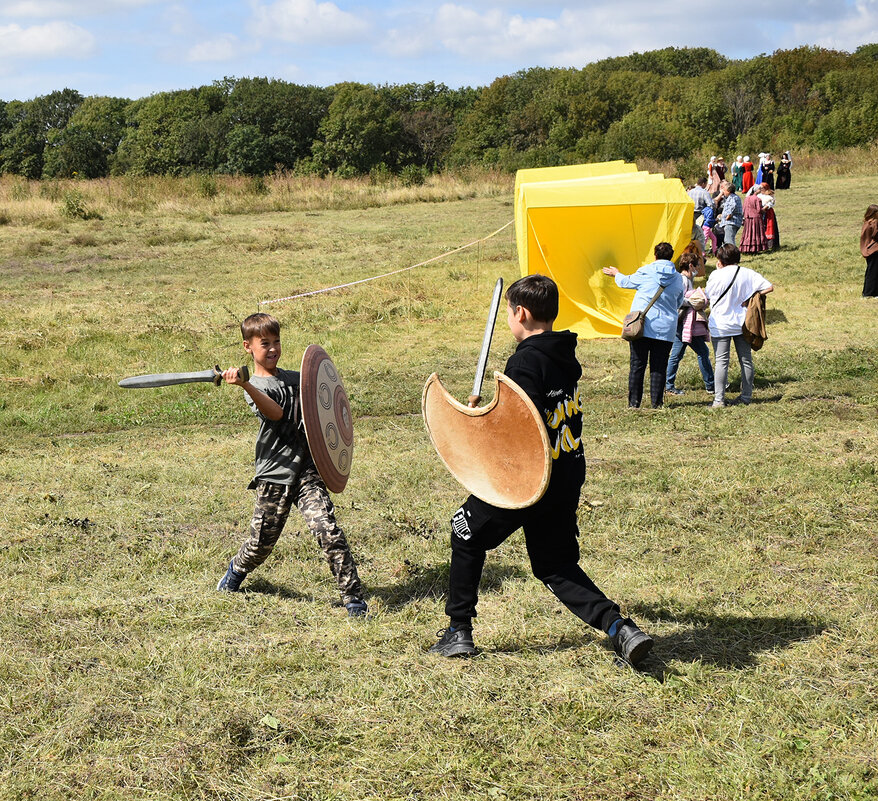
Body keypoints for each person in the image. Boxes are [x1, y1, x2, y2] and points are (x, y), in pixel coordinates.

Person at [429, 275, 654, 667]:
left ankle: (458, 631)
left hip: (528, 478)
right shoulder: (564, 355)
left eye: (510, 315)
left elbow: (518, 432)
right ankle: (621, 628)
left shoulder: (525, 361)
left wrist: (478, 420)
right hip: (566, 474)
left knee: (464, 529)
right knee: (554, 563)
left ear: (520, 313)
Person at [216, 313, 368, 617]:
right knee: (261, 544)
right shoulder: (257, 385)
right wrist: (245, 386)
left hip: (307, 471)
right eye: (265, 344)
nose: (272, 349)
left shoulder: (296, 378)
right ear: (248, 346)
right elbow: (274, 413)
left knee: (328, 530)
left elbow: (326, 404)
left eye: (276, 342)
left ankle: (353, 598)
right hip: (275, 473)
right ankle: (236, 569)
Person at [603, 242, 686, 409]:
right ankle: (656, 403)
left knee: (637, 365)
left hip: (643, 326)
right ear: (671, 257)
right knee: (659, 366)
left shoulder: (646, 271)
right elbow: (679, 301)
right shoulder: (678, 278)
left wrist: (617, 274)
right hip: (666, 329)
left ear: (655, 255)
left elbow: (626, 282)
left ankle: (634, 403)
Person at [704, 244, 774, 408]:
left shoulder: (716, 275)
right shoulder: (748, 273)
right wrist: (751, 297)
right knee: (746, 361)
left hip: (720, 325)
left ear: (720, 260)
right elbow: (769, 287)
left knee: (721, 362)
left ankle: (719, 400)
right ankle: (746, 396)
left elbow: (707, 295)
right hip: (742, 324)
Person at [665, 252, 715, 396]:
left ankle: (668, 385)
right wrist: (693, 302)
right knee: (702, 352)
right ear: (690, 265)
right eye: (698, 265)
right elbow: (677, 300)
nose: (699, 269)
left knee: (676, 355)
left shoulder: (685, 280)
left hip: (682, 323)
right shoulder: (683, 280)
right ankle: (711, 385)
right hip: (685, 323)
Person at [688, 176, 712, 250]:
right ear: (703, 183)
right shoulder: (704, 192)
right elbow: (710, 204)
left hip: (690, 213)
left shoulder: (690, 192)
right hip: (700, 214)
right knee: (699, 232)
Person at [718, 180, 744, 247]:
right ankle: (730, 254)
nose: (723, 191)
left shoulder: (732, 197)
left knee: (729, 241)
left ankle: (732, 254)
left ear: (728, 191)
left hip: (730, 222)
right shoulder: (731, 197)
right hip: (731, 222)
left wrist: (727, 216)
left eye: (724, 190)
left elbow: (732, 207)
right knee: (728, 240)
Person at [861, 204, 878, 297]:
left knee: (871, 272)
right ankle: (869, 293)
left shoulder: (866, 223)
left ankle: (869, 292)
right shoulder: (874, 223)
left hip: (869, 250)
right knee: (873, 273)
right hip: (874, 250)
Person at [758, 185, 780, 250]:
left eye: (762, 188)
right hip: (761, 213)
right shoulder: (759, 195)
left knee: (769, 227)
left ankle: (771, 244)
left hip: (768, 213)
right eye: (760, 188)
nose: (761, 189)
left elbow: (771, 203)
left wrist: (765, 208)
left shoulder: (770, 196)